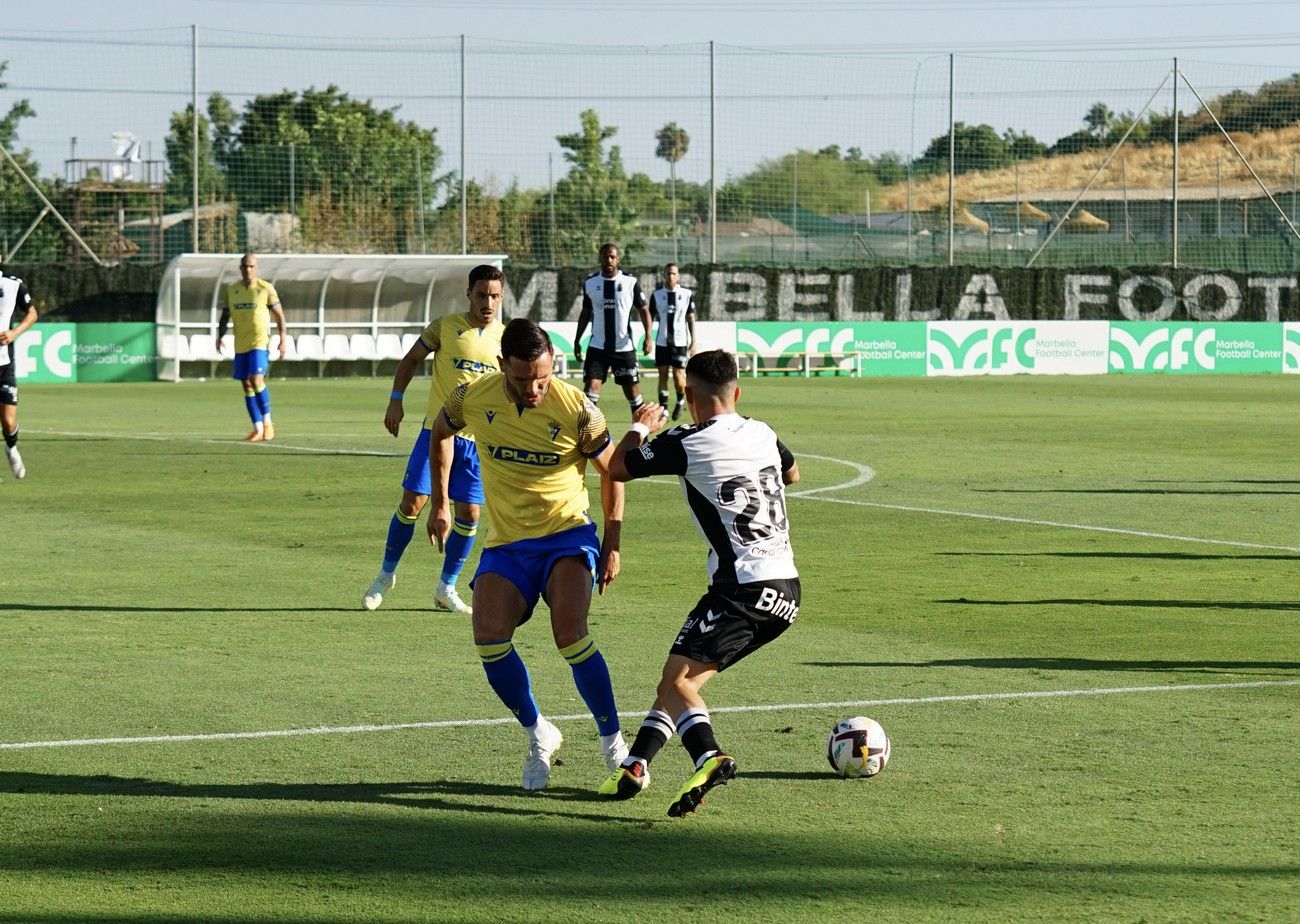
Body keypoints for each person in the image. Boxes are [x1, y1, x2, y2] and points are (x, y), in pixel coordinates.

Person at [427, 318, 629, 791]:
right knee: (489, 637)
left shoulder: (580, 410)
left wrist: (613, 543)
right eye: (522, 380)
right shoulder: (471, 397)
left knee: (570, 635)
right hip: (507, 543)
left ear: (552, 364)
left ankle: (614, 743)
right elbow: (440, 432)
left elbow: (613, 470)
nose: (535, 388)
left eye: (542, 376)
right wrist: (440, 502)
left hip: (567, 535)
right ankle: (540, 733)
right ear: (502, 366)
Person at [601, 349, 800, 817]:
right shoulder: (763, 431)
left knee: (678, 679)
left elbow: (618, 467)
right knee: (675, 681)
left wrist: (640, 426)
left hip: (741, 589)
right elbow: (791, 473)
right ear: (738, 391)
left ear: (688, 395)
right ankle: (635, 765)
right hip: (786, 588)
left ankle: (709, 756)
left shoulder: (687, 440)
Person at [363, 263, 505, 614]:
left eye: (495, 296)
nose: (488, 302)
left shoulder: (507, 338)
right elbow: (411, 359)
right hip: (436, 432)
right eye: (482, 295)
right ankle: (385, 575)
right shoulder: (445, 327)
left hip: (478, 441)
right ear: (469, 294)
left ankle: (446, 588)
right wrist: (396, 400)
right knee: (413, 503)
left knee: (469, 513)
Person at [572, 242, 653, 419]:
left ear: (618, 259)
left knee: (633, 395)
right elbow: (585, 313)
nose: (609, 260)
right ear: (600, 258)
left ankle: (642, 436)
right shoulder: (591, 282)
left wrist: (649, 337)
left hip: (623, 348)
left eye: (612, 257)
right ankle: (586, 436)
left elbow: (644, 310)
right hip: (597, 347)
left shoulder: (630, 282)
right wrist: (577, 340)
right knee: (590, 393)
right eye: (606, 256)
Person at [217, 253, 287, 442]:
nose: (248, 269)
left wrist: (283, 339)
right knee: (246, 384)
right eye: (245, 266)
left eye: (251, 266)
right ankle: (257, 429)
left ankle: (268, 423)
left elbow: (279, 315)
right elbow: (225, 316)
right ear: (240, 268)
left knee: (256, 380)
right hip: (240, 343)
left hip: (260, 342)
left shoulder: (265, 289)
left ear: (256, 268)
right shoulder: (232, 290)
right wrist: (219, 336)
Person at [0, 266, 38, 481]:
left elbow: (32, 313)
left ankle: (11, 448)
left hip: (4, 363)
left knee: (8, 421)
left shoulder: (12, 284)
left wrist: (15, 332)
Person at [647, 262, 696, 422]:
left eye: (674, 273)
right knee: (662, 376)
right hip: (662, 342)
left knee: (678, 377)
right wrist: (648, 336)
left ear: (678, 275)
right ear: (664, 275)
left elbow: (691, 318)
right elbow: (649, 317)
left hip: (680, 343)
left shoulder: (687, 294)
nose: (671, 276)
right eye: (668, 273)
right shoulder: (657, 295)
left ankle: (680, 400)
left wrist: (693, 341)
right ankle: (664, 409)